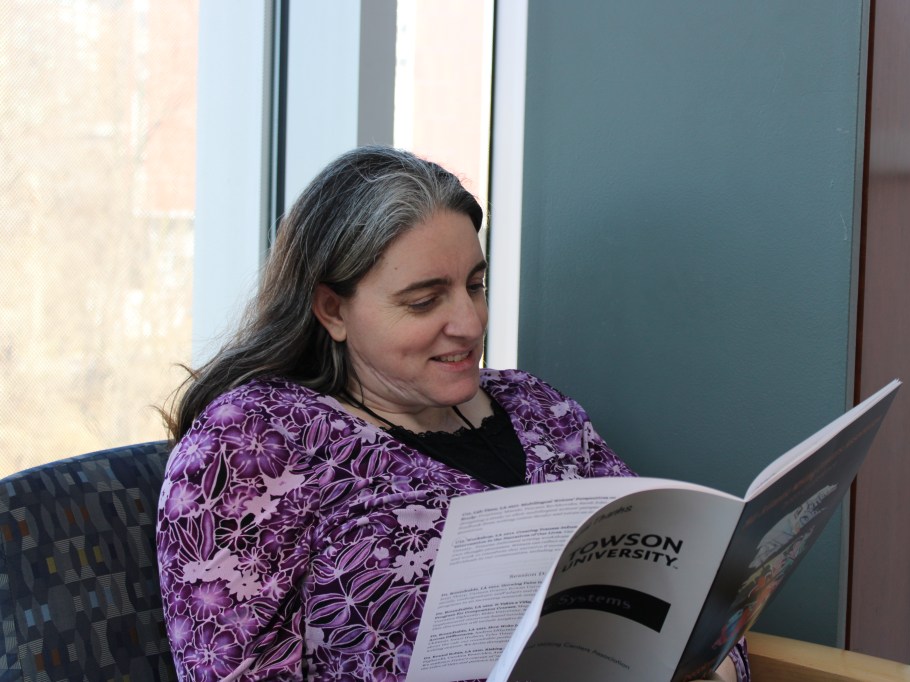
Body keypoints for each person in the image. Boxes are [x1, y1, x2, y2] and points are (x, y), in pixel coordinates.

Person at [156, 146, 749, 681]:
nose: (469, 324)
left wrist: (714, 665)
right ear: (332, 310)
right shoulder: (255, 444)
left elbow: (677, 581)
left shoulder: (540, 411)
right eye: (424, 300)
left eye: (476, 284)